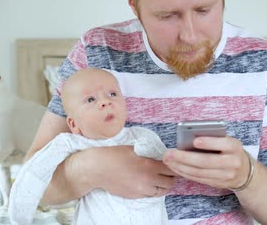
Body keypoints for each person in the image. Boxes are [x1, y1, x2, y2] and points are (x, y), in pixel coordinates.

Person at [25, 0, 267, 224]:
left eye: (203, 10)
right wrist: (92, 169)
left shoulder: (261, 63)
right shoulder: (95, 53)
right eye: (167, 15)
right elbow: (35, 184)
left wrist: (247, 175)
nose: (189, 35)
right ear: (134, 2)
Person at [9, 68, 168, 224]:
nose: (106, 101)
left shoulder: (142, 136)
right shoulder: (70, 143)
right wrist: (20, 217)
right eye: (91, 99)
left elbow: (169, 162)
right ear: (73, 124)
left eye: (112, 94)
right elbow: (34, 171)